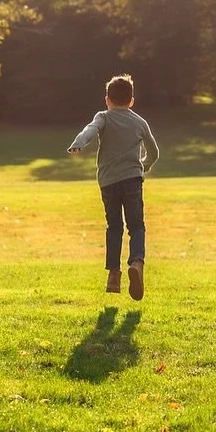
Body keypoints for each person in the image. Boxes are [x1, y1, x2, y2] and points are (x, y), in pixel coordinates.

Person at [67, 74, 160, 300]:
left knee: (114, 226)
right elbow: (154, 152)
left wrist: (78, 144)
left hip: (108, 182)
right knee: (136, 225)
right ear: (132, 100)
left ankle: (113, 275)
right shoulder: (139, 122)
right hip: (132, 179)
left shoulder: (104, 117)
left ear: (107, 99)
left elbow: (90, 130)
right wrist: (143, 166)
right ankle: (137, 263)